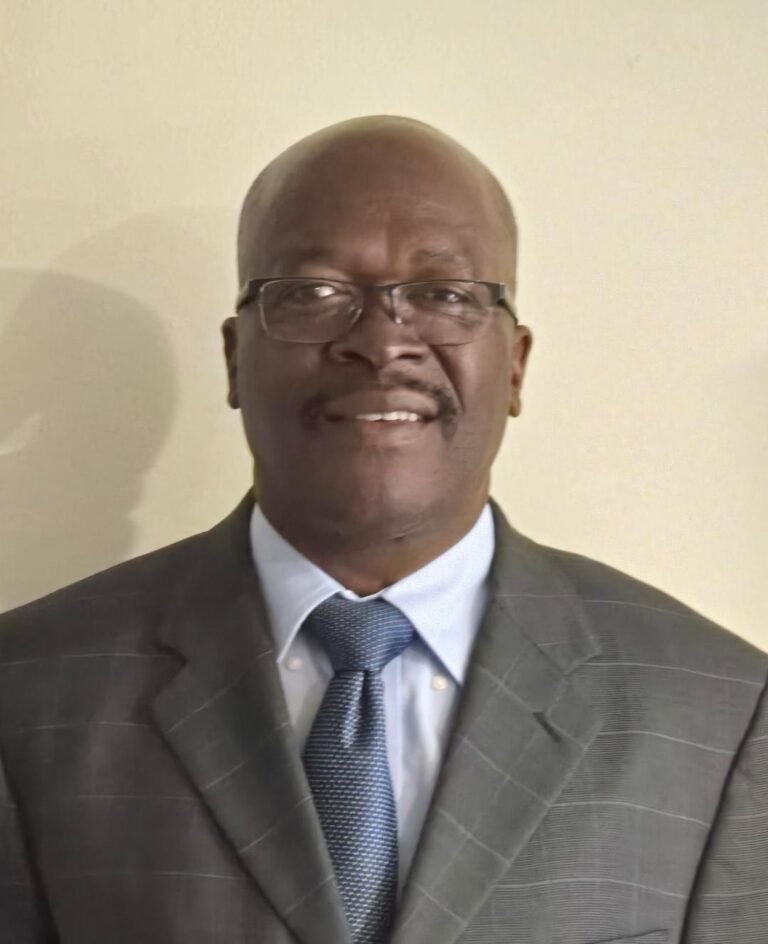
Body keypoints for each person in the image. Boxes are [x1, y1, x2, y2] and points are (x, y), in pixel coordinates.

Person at [0, 116, 765, 944]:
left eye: (443, 294)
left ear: (516, 364)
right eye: (313, 293)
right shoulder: (29, 695)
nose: (380, 342)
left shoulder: (721, 714)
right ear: (233, 358)